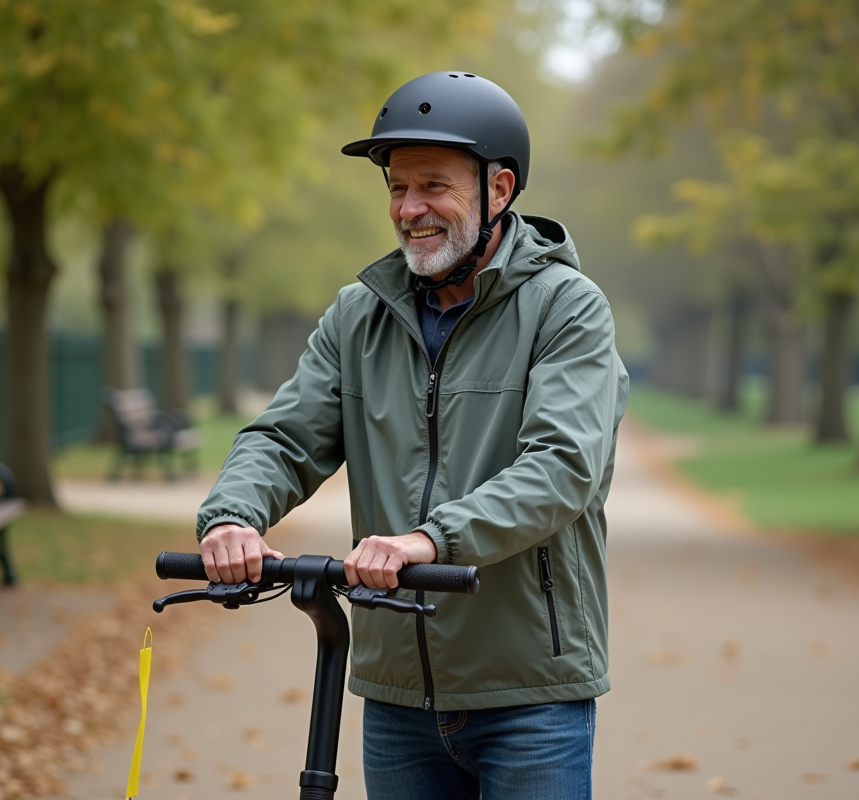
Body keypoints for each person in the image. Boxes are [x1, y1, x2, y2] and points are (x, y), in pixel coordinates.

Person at [196, 71, 628, 799]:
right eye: (397, 187)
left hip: (529, 691)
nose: (410, 208)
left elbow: (562, 468)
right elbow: (285, 437)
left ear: (499, 190)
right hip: (395, 690)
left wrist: (429, 539)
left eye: (434, 185)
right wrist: (233, 515)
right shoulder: (358, 315)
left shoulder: (567, 309)